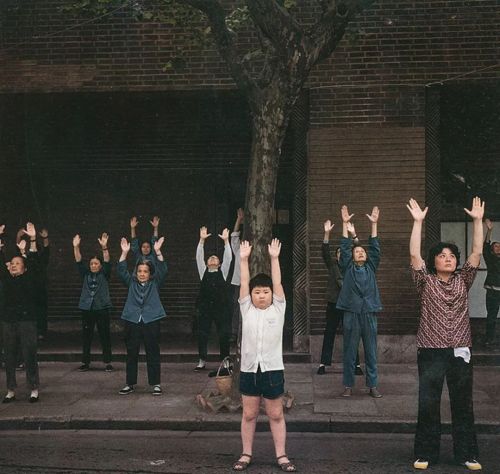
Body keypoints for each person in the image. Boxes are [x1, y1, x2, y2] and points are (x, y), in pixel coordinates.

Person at [408, 197, 484, 471]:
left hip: (461, 350)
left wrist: (477, 222)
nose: (448, 259)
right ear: (434, 262)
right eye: (442, 255)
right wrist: (418, 223)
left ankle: (467, 454)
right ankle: (426, 453)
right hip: (431, 351)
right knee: (428, 403)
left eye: (452, 256)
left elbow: (476, 254)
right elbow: (415, 257)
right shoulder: (424, 281)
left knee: (463, 404)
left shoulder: (464, 280)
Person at [232, 239, 296, 473]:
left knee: (276, 414)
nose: (261, 296)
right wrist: (243, 259)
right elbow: (245, 281)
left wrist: (274, 258)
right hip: (250, 370)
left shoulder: (278, 309)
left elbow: (277, 282)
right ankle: (246, 453)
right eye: (257, 292)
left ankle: (282, 455)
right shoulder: (246, 308)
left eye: (265, 292)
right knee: (249, 414)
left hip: (272, 370)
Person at [336, 205, 382, 398]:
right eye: (358, 252)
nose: (361, 253)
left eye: (363, 252)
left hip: (369, 312)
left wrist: (374, 225)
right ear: (352, 257)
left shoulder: (371, 266)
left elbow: (375, 248)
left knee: (371, 351)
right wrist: (345, 224)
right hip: (351, 312)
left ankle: (372, 385)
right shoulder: (348, 267)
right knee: (349, 351)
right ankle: (348, 386)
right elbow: (345, 248)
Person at [117, 236, 167, 395]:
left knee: (153, 351)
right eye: (139, 271)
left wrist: (158, 252)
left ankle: (156, 384)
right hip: (132, 320)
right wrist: (124, 253)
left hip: (151, 320)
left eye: (145, 271)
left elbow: (163, 269)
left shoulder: (155, 282)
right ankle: (130, 383)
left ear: (149, 273)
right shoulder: (131, 282)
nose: (142, 274)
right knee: (131, 352)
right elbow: (120, 270)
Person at [0, 222, 41, 403]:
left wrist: (32, 239)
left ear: (24, 267)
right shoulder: (7, 279)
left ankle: (33, 388)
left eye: (18, 263)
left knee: (29, 353)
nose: (14, 266)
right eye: (12, 264)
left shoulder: (29, 278)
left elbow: (33, 262)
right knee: (9, 355)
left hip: (26, 321)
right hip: (9, 321)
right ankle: (10, 389)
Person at [317, 219, 362, 376]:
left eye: (344, 253)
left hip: (348, 305)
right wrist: (327, 233)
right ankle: (323, 364)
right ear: (336, 256)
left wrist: (353, 235)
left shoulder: (352, 267)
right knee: (329, 332)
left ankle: (355, 365)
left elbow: (358, 249)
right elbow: (324, 251)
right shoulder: (332, 265)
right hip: (333, 304)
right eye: (338, 253)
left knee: (351, 334)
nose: (341, 255)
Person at [73, 233, 113, 372]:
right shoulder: (86, 274)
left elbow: (107, 261)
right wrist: (76, 247)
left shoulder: (104, 273)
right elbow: (78, 261)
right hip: (87, 308)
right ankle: (85, 362)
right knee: (86, 336)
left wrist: (104, 247)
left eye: (96, 263)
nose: (93, 265)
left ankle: (108, 362)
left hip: (101, 308)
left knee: (104, 335)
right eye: (91, 263)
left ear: (100, 265)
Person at [194, 226, 232, 372]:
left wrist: (226, 241)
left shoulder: (223, 272)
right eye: (210, 257)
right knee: (203, 333)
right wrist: (202, 241)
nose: (212, 258)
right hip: (205, 308)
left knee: (224, 334)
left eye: (215, 257)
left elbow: (229, 257)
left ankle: (226, 360)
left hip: (221, 309)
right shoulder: (203, 271)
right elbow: (198, 257)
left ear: (220, 263)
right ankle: (202, 359)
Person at [483, 219, 500, 347]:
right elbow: (485, 246)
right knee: (492, 316)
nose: (498, 248)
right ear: (492, 249)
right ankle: (489, 339)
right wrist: (489, 230)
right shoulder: (490, 258)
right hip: (493, 291)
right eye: (496, 246)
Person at [230, 208, 244, 342]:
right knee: (236, 308)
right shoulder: (238, 249)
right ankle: (235, 334)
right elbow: (234, 235)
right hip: (238, 282)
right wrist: (239, 219)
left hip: (252, 284)